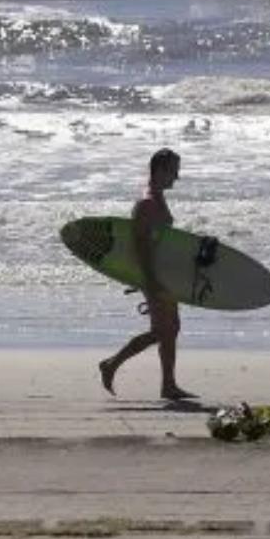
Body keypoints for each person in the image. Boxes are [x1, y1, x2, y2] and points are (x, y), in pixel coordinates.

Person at [99, 148, 196, 401]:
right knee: (163, 330)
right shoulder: (148, 203)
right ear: (161, 170)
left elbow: (160, 241)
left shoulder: (157, 198)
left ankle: (168, 384)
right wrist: (148, 280)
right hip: (153, 276)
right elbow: (140, 247)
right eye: (174, 170)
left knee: (169, 329)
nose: (177, 177)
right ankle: (112, 364)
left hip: (162, 275)